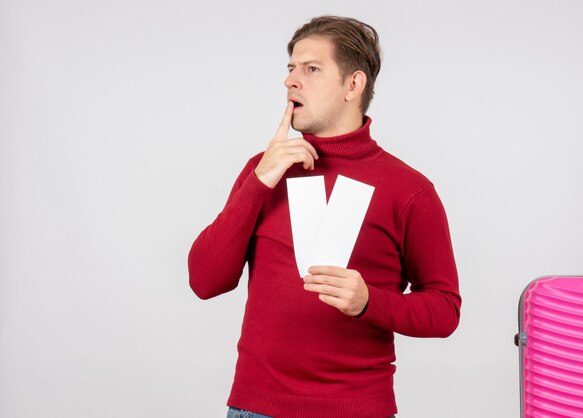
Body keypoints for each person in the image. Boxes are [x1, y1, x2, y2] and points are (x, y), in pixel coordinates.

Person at [188, 15, 461, 418]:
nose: (291, 81)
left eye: (311, 69)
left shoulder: (409, 190)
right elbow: (205, 281)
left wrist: (372, 302)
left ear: (353, 85)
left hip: (356, 409)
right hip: (255, 408)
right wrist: (260, 180)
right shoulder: (263, 171)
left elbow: (444, 309)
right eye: (290, 68)